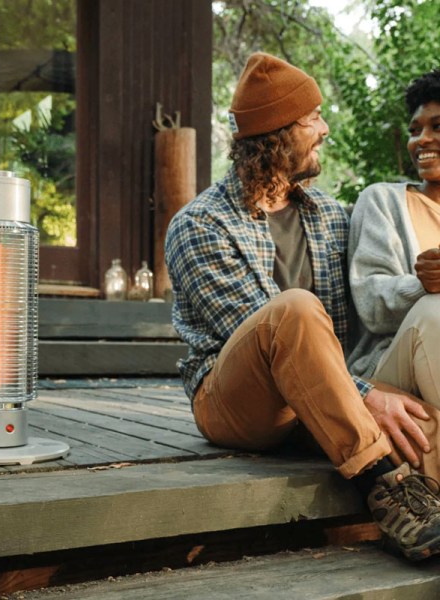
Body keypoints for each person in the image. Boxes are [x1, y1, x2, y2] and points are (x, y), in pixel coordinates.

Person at [165, 52, 440, 561]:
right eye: (313, 118)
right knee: (293, 308)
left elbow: (370, 313)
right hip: (240, 403)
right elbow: (253, 333)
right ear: (276, 132)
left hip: (330, 392)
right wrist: (368, 397)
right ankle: (388, 488)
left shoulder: (333, 216)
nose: (325, 128)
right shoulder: (199, 224)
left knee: (423, 426)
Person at [347, 69, 440, 470]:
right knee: (435, 311)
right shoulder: (384, 201)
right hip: (392, 364)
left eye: (437, 127)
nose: (422, 140)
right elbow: (370, 302)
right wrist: (422, 286)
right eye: (415, 129)